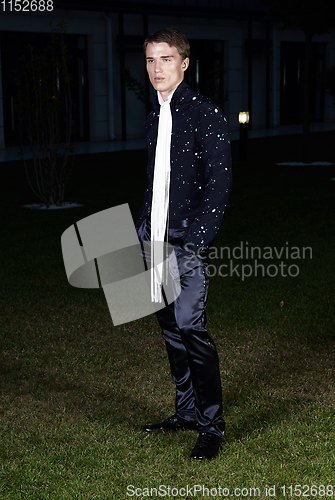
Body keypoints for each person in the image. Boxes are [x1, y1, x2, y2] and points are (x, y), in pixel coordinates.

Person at [136, 28, 232, 460]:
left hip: (187, 240)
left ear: (184, 63)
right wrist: (143, 225)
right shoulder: (155, 112)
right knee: (170, 330)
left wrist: (194, 242)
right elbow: (155, 180)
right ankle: (187, 412)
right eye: (151, 60)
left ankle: (211, 426)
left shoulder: (205, 113)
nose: (157, 68)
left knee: (191, 327)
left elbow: (219, 186)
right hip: (154, 238)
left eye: (166, 59)